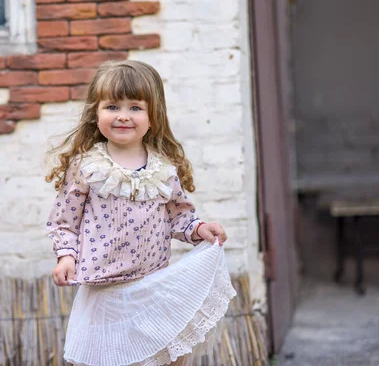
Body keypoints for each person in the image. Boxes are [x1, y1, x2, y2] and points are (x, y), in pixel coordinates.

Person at [45, 60, 236, 366]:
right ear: (96, 113)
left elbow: (179, 217)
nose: (123, 116)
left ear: (152, 115)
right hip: (105, 293)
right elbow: (64, 223)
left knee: (168, 359)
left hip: (153, 288)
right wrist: (66, 256)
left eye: (135, 107)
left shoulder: (163, 169)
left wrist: (199, 229)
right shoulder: (86, 168)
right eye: (112, 107)